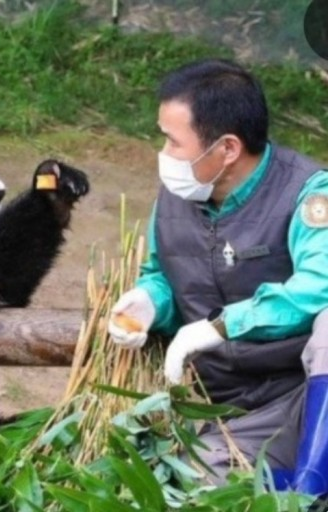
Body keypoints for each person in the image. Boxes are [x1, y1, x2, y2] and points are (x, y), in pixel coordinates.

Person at [107, 58, 328, 495]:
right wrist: (150, 302)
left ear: (226, 149)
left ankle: (309, 488)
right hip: (228, 408)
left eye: (173, 142)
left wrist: (221, 327)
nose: (163, 155)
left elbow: (319, 284)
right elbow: (164, 275)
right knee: (190, 487)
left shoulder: (308, 192)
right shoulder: (175, 197)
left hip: (300, 393)